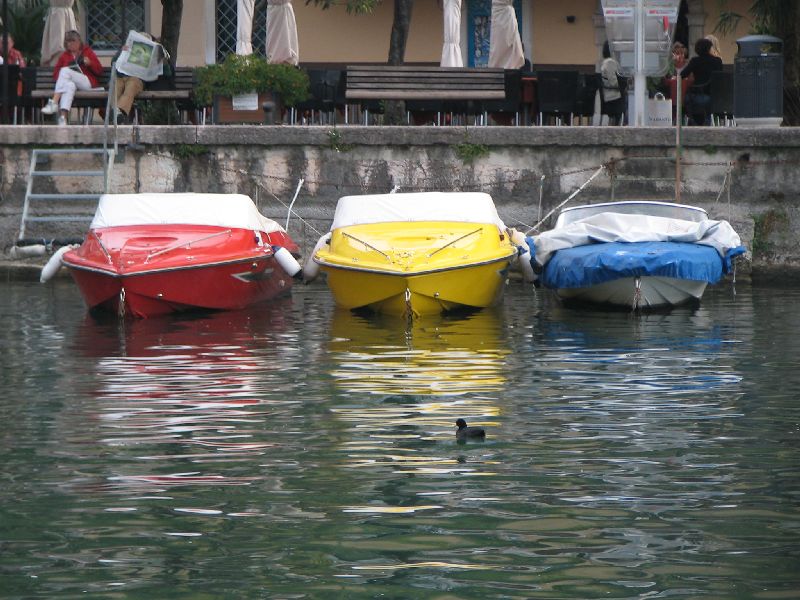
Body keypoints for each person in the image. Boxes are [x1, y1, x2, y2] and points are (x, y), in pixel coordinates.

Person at [40, 30, 102, 126]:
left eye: (73, 41)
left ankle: (54, 102)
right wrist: (64, 79)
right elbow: (56, 73)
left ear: (79, 42)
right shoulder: (64, 56)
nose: (71, 44)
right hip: (72, 84)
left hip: (87, 83)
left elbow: (99, 70)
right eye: (68, 41)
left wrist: (90, 63)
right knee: (69, 85)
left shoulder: (87, 52)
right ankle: (63, 118)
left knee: (65, 70)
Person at [681, 37, 723, 125]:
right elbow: (720, 78)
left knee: (686, 98)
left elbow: (682, 74)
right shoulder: (717, 61)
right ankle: (707, 120)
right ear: (709, 48)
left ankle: (692, 120)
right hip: (712, 95)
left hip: (695, 95)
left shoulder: (695, 61)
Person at [600, 41, 625, 125]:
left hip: (609, 96)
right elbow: (613, 82)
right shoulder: (610, 63)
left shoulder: (605, 62)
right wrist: (624, 85)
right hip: (614, 96)